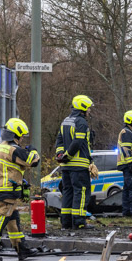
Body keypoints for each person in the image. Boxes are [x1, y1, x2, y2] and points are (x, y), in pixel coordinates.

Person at [0, 118, 40, 261]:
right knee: (0, 220)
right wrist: (33, 150)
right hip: (8, 190)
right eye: (21, 136)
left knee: (13, 220)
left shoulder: (2, 147)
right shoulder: (13, 150)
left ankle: (21, 248)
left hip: (2, 187)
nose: (22, 139)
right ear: (16, 135)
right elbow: (33, 161)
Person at [54, 95, 94, 230]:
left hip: (65, 166)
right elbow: (78, 142)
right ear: (82, 107)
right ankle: (79, 222)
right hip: (79, 165)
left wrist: (60, 155)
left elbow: (59, 140)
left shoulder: (65, 121)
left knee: (68, 192)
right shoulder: (81, 122)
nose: (89, 110)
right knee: (81, 192)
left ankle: (66, 222)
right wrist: (68, 155)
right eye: (88, 108)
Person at [117, 110, 132, 217]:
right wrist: (130, 162)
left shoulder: (129, 131)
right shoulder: (127, 132)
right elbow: (126, 149)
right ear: (130, 121)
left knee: (127, 188)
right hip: (129, 165)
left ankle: (126, 211)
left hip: (128, 165)